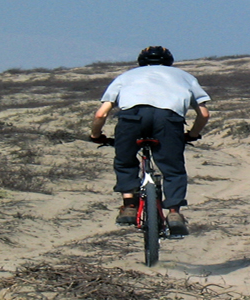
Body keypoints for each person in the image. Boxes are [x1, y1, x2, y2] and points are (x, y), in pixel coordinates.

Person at [90, 46, 210, 235]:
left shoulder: (125, 76)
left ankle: (129, 205)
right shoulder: (184, 76)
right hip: (168, 119)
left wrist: (95, 135)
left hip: (132, 118)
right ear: (169, 61)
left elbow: (101, 114)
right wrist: (193, 134)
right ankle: (174, 212)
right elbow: (203, 114)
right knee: (173, 168)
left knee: (125, 160)